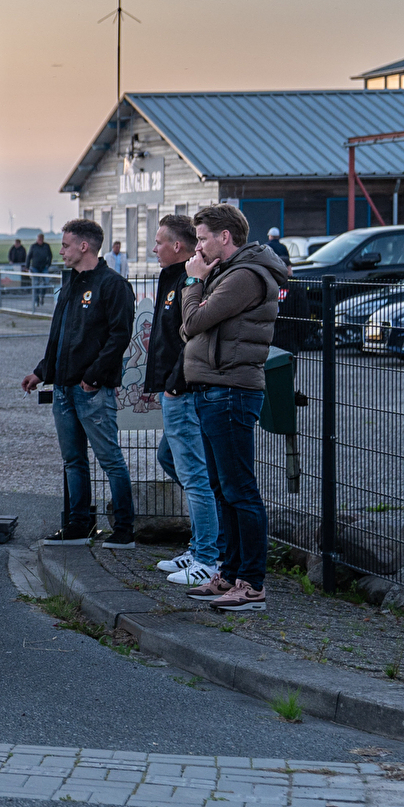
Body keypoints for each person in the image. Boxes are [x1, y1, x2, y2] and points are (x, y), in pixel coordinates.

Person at [180, 203, 291, 613]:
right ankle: (228, 574)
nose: (198, 247)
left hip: (230, 391)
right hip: (214, 389)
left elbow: (193, 323)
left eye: (203, 238)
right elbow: (192, 326)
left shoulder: (244, 276)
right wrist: (199, 289)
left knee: (240, 490)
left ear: (224, 237)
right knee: (223, 489)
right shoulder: (227, 273)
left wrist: (194, 282)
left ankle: (251, 584)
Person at [21, 218, 136, 549]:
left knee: (110, 459)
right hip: (62, 389)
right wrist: (42, 371)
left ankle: (124, 530)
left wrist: (92, 378)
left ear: (84, 246)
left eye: (65, 245)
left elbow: (119, 337)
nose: (61, 251)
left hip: (91, 391)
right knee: (73, 460)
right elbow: (58, 335)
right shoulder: (70, 283)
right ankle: (78, 526)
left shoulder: (113, 285)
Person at [143, 215, 221, 587]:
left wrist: (175, 384)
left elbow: (192, 338)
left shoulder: (192, 280)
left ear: (177, 246)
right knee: (170, 459)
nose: (153, 248)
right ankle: (205, 544)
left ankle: (208, 557)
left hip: (185, 392)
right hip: (175, 389)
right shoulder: (172, 278)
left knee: (195, 476)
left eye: (159, 242)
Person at [26, 232, 53, 305]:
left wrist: (48, 264)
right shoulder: (33, 246)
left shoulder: (46, 246)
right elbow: (29, 256)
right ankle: (36, 300)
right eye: (39, 239)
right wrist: (27, 267)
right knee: (36, 284)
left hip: (44, 267)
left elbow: (50, 255)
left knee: (46, 283)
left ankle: (42, 296)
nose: (40, 240)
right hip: (35, 267)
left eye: (41, 239)